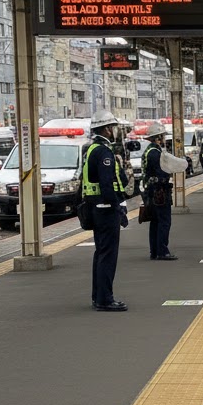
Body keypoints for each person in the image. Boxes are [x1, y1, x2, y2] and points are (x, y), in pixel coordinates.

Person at [83, 110, 130, 311]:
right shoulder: (103, 152)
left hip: (96, 208)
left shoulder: (91, 149)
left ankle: (98, 296)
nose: (115, 131)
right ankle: (105, 299)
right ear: (107, 129)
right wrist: (118, 207)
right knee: (108, 255)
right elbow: (107, 184)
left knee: (101, 253)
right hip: (105, 209)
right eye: (113, 127)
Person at [143, 121, 177, 261]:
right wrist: (168, 180)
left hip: (151, 191)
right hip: (160, 192)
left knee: (155, 222)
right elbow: (161, 173)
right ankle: (162, 251)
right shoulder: (156, 154)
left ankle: (154, 251)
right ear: (157, 138)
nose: (163, 139)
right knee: (164, 221)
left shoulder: (149, 151)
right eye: (162, 136)